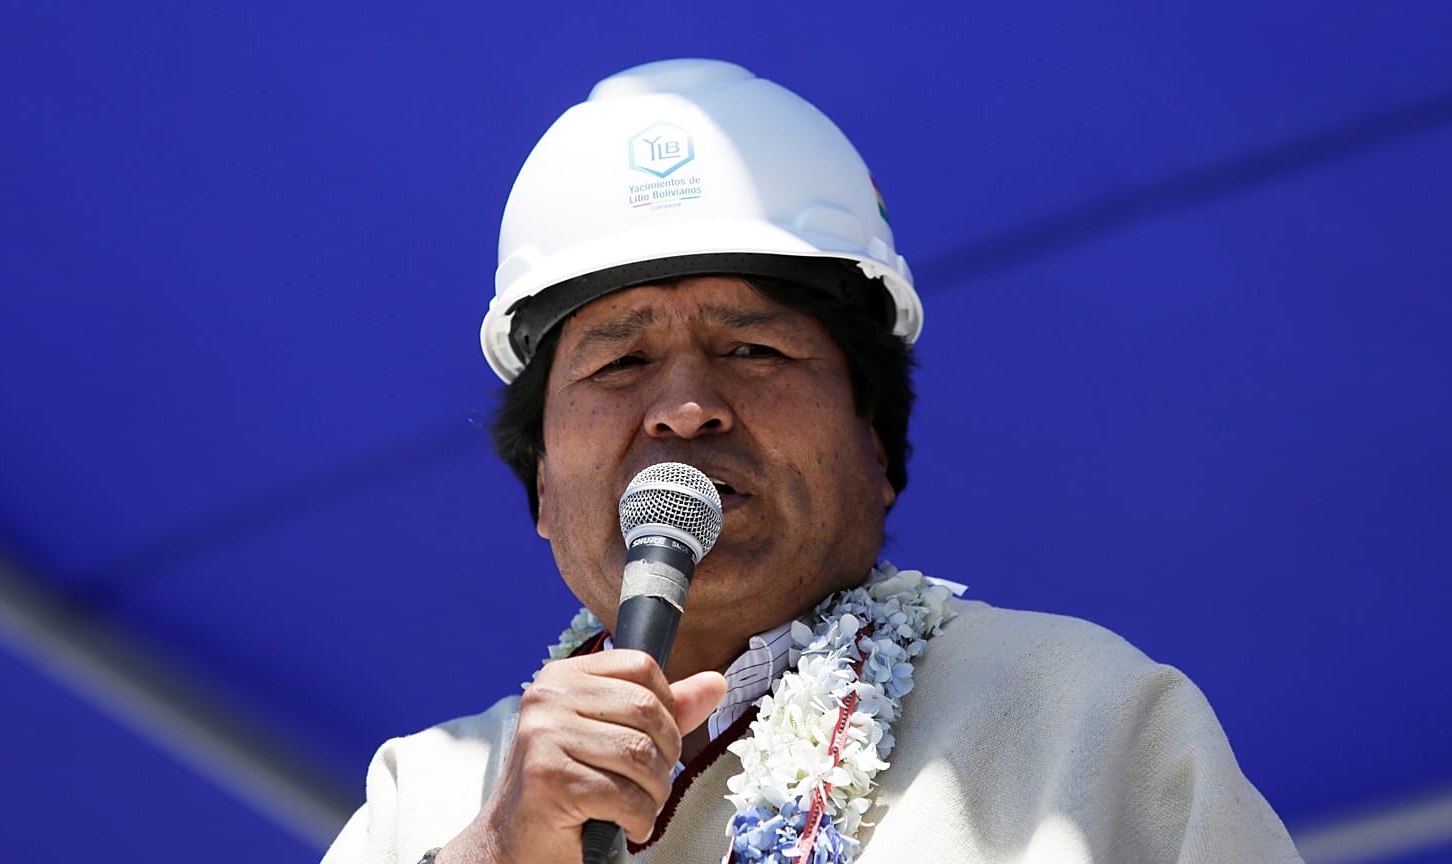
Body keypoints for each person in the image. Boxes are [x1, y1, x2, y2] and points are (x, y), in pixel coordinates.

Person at [322, 58, 1302, 864]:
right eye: (620, 363)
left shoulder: (1089, 721)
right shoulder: (425, 795)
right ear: (542, 482)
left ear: (877, 444)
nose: (687, 409)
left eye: (753, 348)